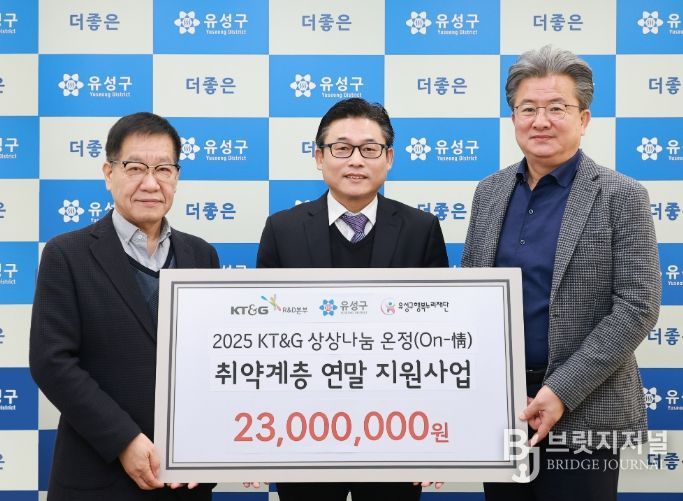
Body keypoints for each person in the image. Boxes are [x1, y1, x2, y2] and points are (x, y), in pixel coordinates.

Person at [461, 46, 660, 500]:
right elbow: (473, 295)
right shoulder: (489, 193)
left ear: (583, 118)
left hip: (586, 406)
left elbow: (638, 306)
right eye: (528, 109)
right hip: (505, 408)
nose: (541, 121)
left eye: (557, 108)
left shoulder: (622, 195)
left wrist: (560, 391)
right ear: (513, 117)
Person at [255, 98, 449, 501]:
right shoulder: (282, 230)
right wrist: (260, 441)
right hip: (303, 429)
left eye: (369, 149)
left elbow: (439, 338)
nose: (356, 160)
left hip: (396, 430)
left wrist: (434, 439)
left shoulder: (421, 229)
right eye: (341, 148)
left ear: (389, 158)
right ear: (319, 157)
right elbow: (263, 339)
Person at [30, 112, 219, 501]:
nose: (150, 183)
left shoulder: (201, 255)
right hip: (97, 476)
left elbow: (213, 361)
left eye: (163, 169)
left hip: (183, 480)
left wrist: (209, 447)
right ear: (108, 173)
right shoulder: (67, 254)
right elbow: (52, 362)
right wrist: (123, 440)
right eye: (135, 168)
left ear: (176, 176)